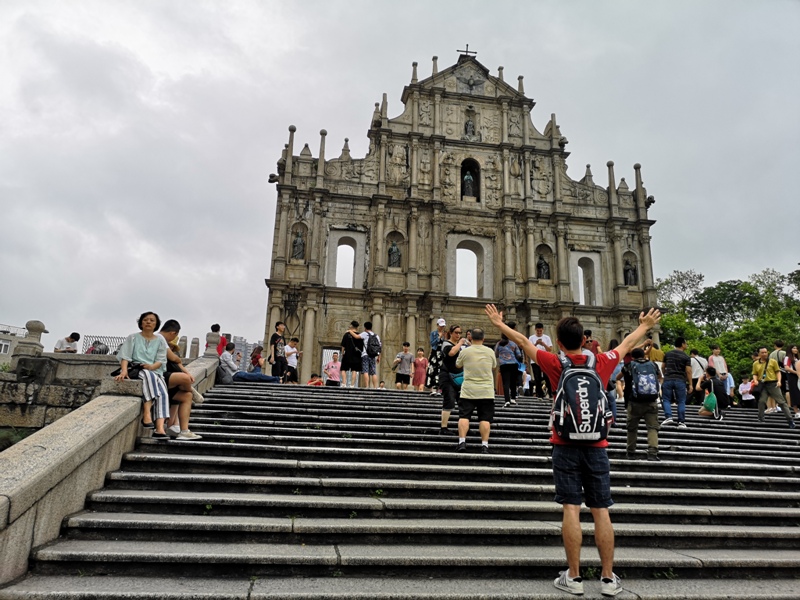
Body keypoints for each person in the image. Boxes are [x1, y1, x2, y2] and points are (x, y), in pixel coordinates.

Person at [486, 302, 661, 598]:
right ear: (584, 341)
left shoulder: (555, 363)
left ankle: (575, 576)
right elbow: (629, 343)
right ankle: (607, 578)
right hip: (596, 446)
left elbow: (522, 341)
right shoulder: (601, 362)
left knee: (571, 508)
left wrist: (499, 324)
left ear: (558, 341)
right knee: (601, 510)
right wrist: (645, 325)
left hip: (564, 444)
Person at [114, 312, 170, 439]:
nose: (148, 322)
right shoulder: (133, 337)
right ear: (141, 323)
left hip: (154, 371)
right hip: (137, 368)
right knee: (147, 375)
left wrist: (151, 366)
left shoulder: (160, 340)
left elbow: (161, 360)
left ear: (156, 324)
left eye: (152, 320)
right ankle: (147, 414)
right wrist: (124, 371)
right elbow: (125, 356)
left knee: (163, 392)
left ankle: (160, 429)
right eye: (145, 320)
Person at [159, 319, 203, 441]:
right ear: (174, 333)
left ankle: (184, 431)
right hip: (157, 375)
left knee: (186, 395)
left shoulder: (160, 339)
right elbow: (174, 359)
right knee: (184, 379)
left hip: (164, 378)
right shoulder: (159, 338)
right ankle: (192, 390)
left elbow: (176, 362)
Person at [455, 328, 497, 453]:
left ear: (471, 338)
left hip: (468, 389)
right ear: (483, 339)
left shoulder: (465, 352)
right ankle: (484, 445)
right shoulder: (490, 351)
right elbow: (494, 366)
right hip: (486, 391)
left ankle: (462, 442)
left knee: (464, 416)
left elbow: (458, 365)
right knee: (485, 419)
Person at [617, 347, 661, 460]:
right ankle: (652, 452)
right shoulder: (653, 365)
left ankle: (631, 452)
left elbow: (618, 377)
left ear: (633, 356)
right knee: (652, 428)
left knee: (632, 428)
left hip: (634, 401)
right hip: (651, 401)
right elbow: (660, 378)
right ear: (644, 355)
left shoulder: (629, 365)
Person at [752, 346, 795, 428]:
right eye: (762, 352)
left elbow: (778, 372)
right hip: (763, 384)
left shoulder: (772, 361)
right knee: (761, 401)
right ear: (759, 354)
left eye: (765, 352)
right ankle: (761, 418)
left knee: (781, 402)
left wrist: (779, 381)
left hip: (773, 383)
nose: (764, 354)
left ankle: (790, 420)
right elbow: (754, 373)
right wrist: (755, 380)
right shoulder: (755, 363)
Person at [439, 325, 466, 435]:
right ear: (450, 333)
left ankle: (463, 427)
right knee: (449, 399)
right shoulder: (446, 344)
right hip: (447, 376)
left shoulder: (461, 347)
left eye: (460, 332)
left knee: (463, 402)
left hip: (459, 377)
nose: (458, 335)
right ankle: (443, 427)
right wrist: (460, 343)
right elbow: (451, 353)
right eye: (456, 332)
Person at [661, 338, 692, 429]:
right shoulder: (686, 357)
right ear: (682, 344)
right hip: (680, 380)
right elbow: (688, 371)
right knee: (681, 401)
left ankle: (669, 417)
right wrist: (690, 384)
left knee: (666, 399)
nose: (686, 345)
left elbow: (663, 366)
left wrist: (665, 374)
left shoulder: (668, 354)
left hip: (668, 379)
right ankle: (681, 421)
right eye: (686, 343)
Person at [495, 326, 523, 408]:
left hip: (504, 365)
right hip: (513, 364)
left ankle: (507, 400)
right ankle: (513, 398)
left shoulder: (498, 344)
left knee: (505, 383)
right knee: (513, 382)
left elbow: (496, 354)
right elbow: (518, 354)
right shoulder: (513, 343)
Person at [528, 322, 553, 399]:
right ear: (535, 330)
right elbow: (530, 349)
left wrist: (543, 344)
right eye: (538, 331)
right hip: (535, 359)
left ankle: (550, 392)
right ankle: (539, 394)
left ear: (543, 330)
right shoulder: (531, 338)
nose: (539, 332)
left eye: (540, 331)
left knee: (547, 377)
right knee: (537, 377)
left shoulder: (547, 338)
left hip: (545, 359)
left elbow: (550, 349)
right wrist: (536, 344)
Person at [354, 321, 381, 389]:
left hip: (365, 354)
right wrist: (379, 357)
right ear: (371, 327)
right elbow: (379, 347)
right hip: (373, 355)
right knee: (373, 372)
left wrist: (349, 331)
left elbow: (356, 337)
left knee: (366, 370)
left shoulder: (364, 334)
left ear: (365, 327)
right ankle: (375, 387)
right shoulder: (376, 336)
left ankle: (367, 386)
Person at [426, 318, 447, 395]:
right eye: (441, 326)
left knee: (440, 370)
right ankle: (432, 388)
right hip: (435, 353)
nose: (442, 327)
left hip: (441, 355)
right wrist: (438, 337)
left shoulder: (445, 334)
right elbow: (432, 343)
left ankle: (439, 389)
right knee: (432, 370)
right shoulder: (433, 333)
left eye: (443, 326)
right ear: (437, 325)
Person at [340, 321, 364, 388]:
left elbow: (343, 346)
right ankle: (352, 385)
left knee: (343, 369)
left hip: (347, 354)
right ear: (357, 327)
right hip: (356, 355)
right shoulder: (360, 335)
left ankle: (344, 384)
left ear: (351, 325)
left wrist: (342, 353)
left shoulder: (346, 334)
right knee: (354, 370)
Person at [784, 344, 800, 419]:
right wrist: (796, 372)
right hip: (792, 377)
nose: (795, 349)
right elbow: (786, 368)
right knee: (794, 393)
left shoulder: (797, 358)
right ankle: (796, 411)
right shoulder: (787, 358)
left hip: (798, 376)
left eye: (796, 348)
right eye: (794, 348)